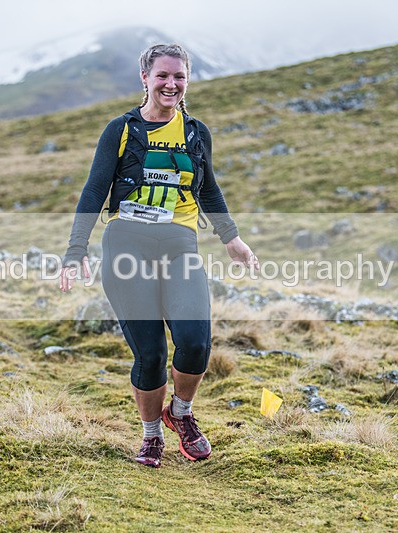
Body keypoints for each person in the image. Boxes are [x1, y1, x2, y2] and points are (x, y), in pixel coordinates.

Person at [60, 43, 258, 468]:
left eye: (179, 76)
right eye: (163, 75)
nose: (171, 84)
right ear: (145, 78)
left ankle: (180, 413)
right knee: (150, 355)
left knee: (195, 343)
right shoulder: (121, 129)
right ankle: (151, 436)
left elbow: (208, 188)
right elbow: (94, 190)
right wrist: (76, 249)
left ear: (187, 80)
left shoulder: (196, 132)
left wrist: (232, 237)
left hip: (179, 244)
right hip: (126, 244)